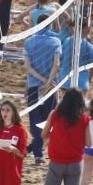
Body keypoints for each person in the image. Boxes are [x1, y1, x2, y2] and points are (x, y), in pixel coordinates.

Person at [33, 88, 90, 185]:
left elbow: (43, 134)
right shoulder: (84, 119)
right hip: (75, 163)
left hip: (57, 162)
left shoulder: (55, 115)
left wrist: (56, 135)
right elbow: (89, 142)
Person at [23, 16, 62, 163]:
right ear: (50, 25)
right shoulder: (56, 41)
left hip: (34, 86)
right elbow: (56, 65)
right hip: (49, 88)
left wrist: (40, 80)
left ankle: (36, 152)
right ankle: (37, 151)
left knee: (35, 121)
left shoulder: (29, 41)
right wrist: (48, 81)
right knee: (49, 122)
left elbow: (27, 67)